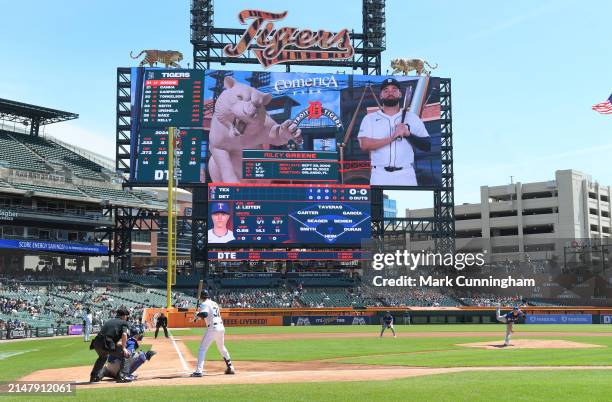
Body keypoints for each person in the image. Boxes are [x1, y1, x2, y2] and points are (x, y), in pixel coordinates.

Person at [358, 77, 431, 186]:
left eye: (394, 90)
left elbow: (427, 146)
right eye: (386, 90)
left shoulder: (412, 118)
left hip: (406, 174)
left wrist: (408, 134)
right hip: (379, 174)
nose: (390, 93)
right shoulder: (370, 118)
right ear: (381, 95)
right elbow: (364, 145)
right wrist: (392, 137)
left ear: (400, 94)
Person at [191, 290, 235, 377]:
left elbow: (205, 314)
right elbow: (209, 315)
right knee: (222, 348)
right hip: (221, 328)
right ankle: (230, 367)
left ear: (202, 297)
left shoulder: (204, 304)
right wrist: (198, 316)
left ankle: (199, 371)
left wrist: (198, 314)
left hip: (212, 328)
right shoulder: (214, 303)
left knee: (202, 349)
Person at [89, 308, 133, 383]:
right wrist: (123, 348)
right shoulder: (124, 322)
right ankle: (122, 376)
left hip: (97, 343)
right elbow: (124, 334)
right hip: (106, 343)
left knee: (103, 357)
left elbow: (108, 334)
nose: (127, 317)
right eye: (126, 316)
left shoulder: (109, 321)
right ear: (124, 316)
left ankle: (94, 377)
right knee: (126, 354)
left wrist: (116, 343)